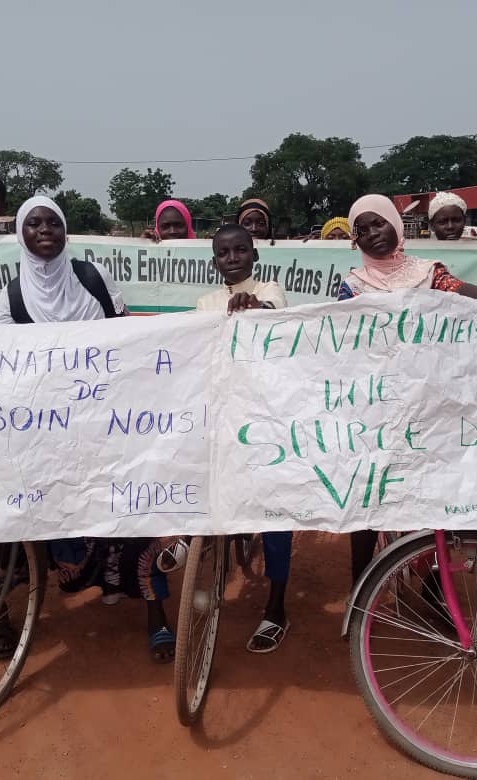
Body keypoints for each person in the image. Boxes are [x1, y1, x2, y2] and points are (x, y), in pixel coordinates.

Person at [0, 195, 176, 663]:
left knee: (129, 511)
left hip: (104, 422)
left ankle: (155, 613)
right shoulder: (10, 295)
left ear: (65, 231)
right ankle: (3, 607)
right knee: (23, 509)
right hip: (42, 430)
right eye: (34, 224)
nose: (45, 230)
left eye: (53, 223)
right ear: (21, 234)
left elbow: (125, 337)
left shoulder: (91, 278)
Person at [341, 194, 477, 584]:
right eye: (363, 229)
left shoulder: (428, 273)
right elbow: (334, 337)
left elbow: (460, 291)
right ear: (355, 240)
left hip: (427, 404)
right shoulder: (351, 289)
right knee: (371, 499)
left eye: (379, 223)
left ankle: (436, 591)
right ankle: (361, 589)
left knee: (429, 499)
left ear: (396, 225)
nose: (373, 233)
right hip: (377, 409)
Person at [196, 224, 292, 653]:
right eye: (223, 252)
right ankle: (199, 551)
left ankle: (277, 606)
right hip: (224, 415)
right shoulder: (204, 304)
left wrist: (254, 306)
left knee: (275, 513)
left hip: (267, 416)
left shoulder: (270, 289)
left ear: (253, 254)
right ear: (214, 259)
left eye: (240, 250)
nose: (232, 258)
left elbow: (274, 312)